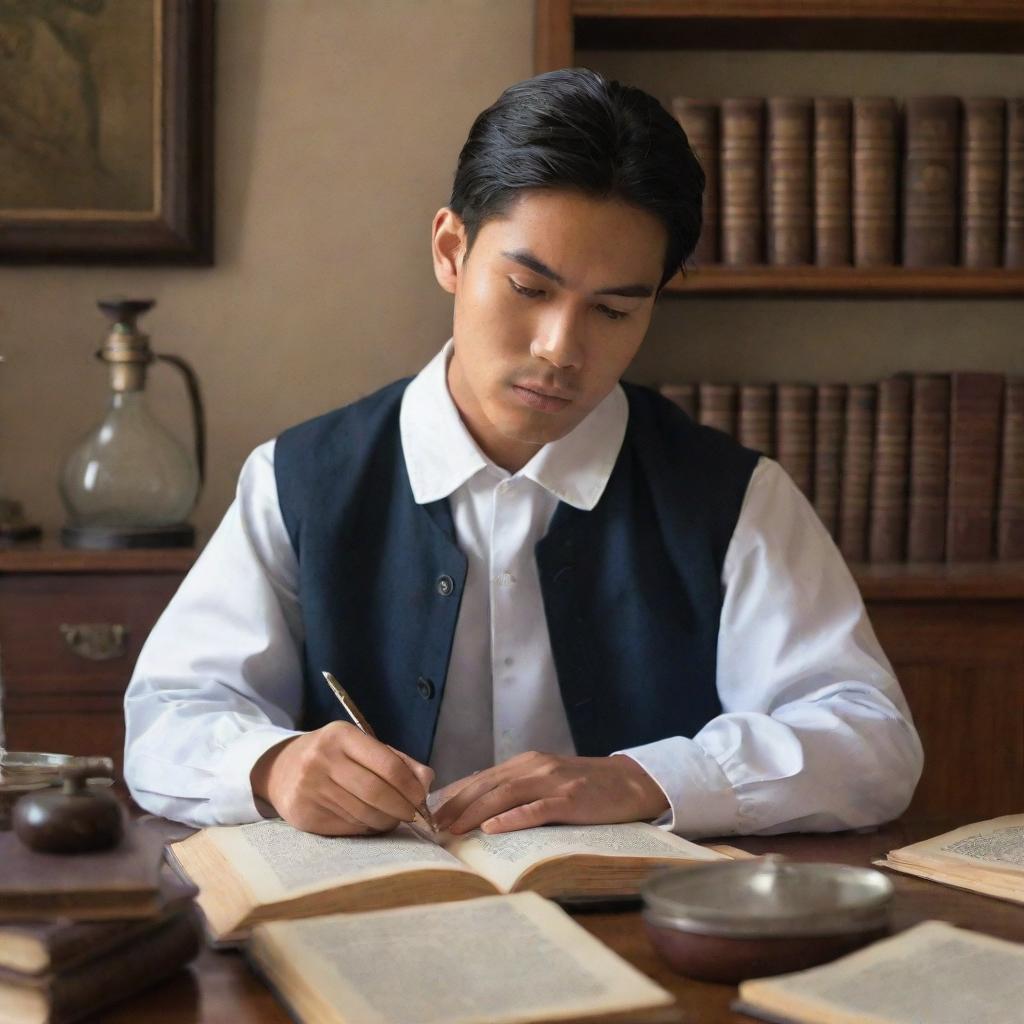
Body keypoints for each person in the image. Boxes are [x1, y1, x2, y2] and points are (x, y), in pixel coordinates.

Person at [124, 68, 923, 839]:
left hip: (643, 938)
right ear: (450, 250)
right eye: (529, 290)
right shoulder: (299, 481)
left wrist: (647, 779)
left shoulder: (736, 496)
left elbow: (872, 742)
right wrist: (274, 764)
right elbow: (167, 717)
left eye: (612, 310)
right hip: (367, 923)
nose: (560, 348)